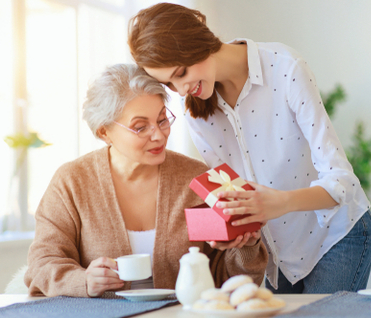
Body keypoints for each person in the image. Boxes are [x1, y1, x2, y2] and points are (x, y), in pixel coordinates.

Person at [127, 3, 371, 294]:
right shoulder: (196, 112)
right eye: (169, 83)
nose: (181, 89)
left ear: (198, 41)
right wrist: (235, 228)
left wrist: (278, 203)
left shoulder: (285, 68)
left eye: (181, 73)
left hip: (335, 236)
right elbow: (234, 193)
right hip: (278, 256)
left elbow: (342, 181)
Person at [24, 64, 268, 298]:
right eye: (140, 127)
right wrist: (84, 281)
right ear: (104, 132)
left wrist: (247, 244)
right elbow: (42, 264)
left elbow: (226, 280)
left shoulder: (197, 179)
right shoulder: (72, 182)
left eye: (162, 120)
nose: (159, 135)